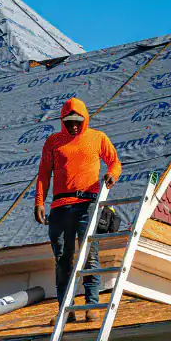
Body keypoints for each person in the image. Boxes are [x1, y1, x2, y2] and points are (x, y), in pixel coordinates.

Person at [33, 98, 121, 321]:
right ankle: (66, 309)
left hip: (87, 204)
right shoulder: (53, 142)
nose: (73, 126)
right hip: (60, 207)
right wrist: (39, 202)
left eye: (77, 122)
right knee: (63, 259)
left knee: (89, 255)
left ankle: (91, 305)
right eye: (69, 121)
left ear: (84, 120)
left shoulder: (97, 138)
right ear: (63, 121)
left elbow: (115, 163)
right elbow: (44, 174)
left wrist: (112, 176)